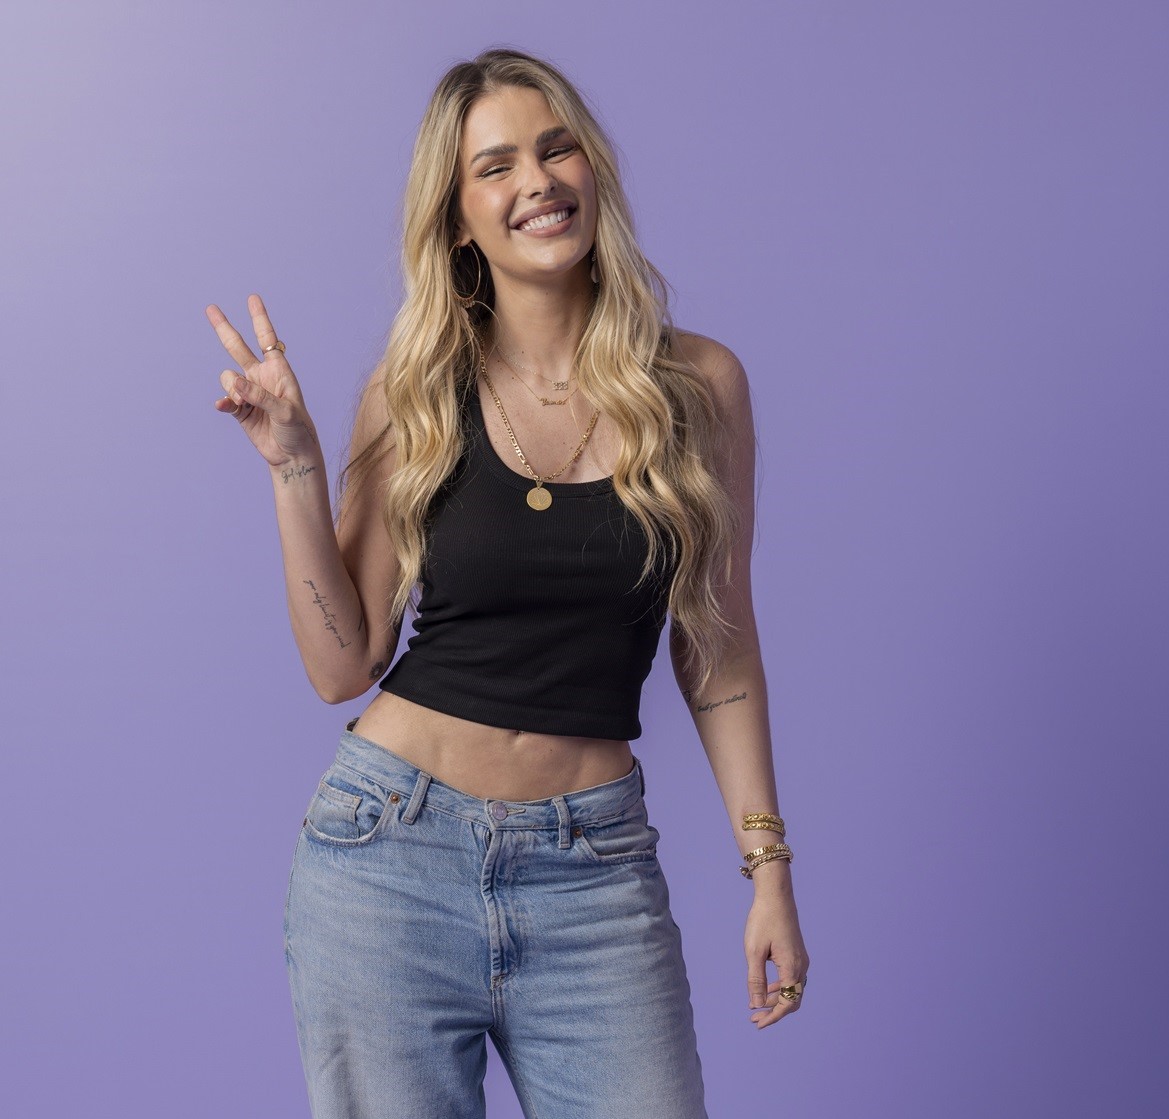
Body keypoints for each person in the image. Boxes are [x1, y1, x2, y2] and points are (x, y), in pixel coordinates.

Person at [206, 46, 808, 1119]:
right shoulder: (415, 393)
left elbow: (718, 645)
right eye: (496, 167)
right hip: (389, 858)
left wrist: (767, 866)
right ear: (458, 220)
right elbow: (343, 664)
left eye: (556, 148)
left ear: (593, 171)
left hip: (594, 868)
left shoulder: (698, 388)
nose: (537, 181)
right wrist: (294, 467)